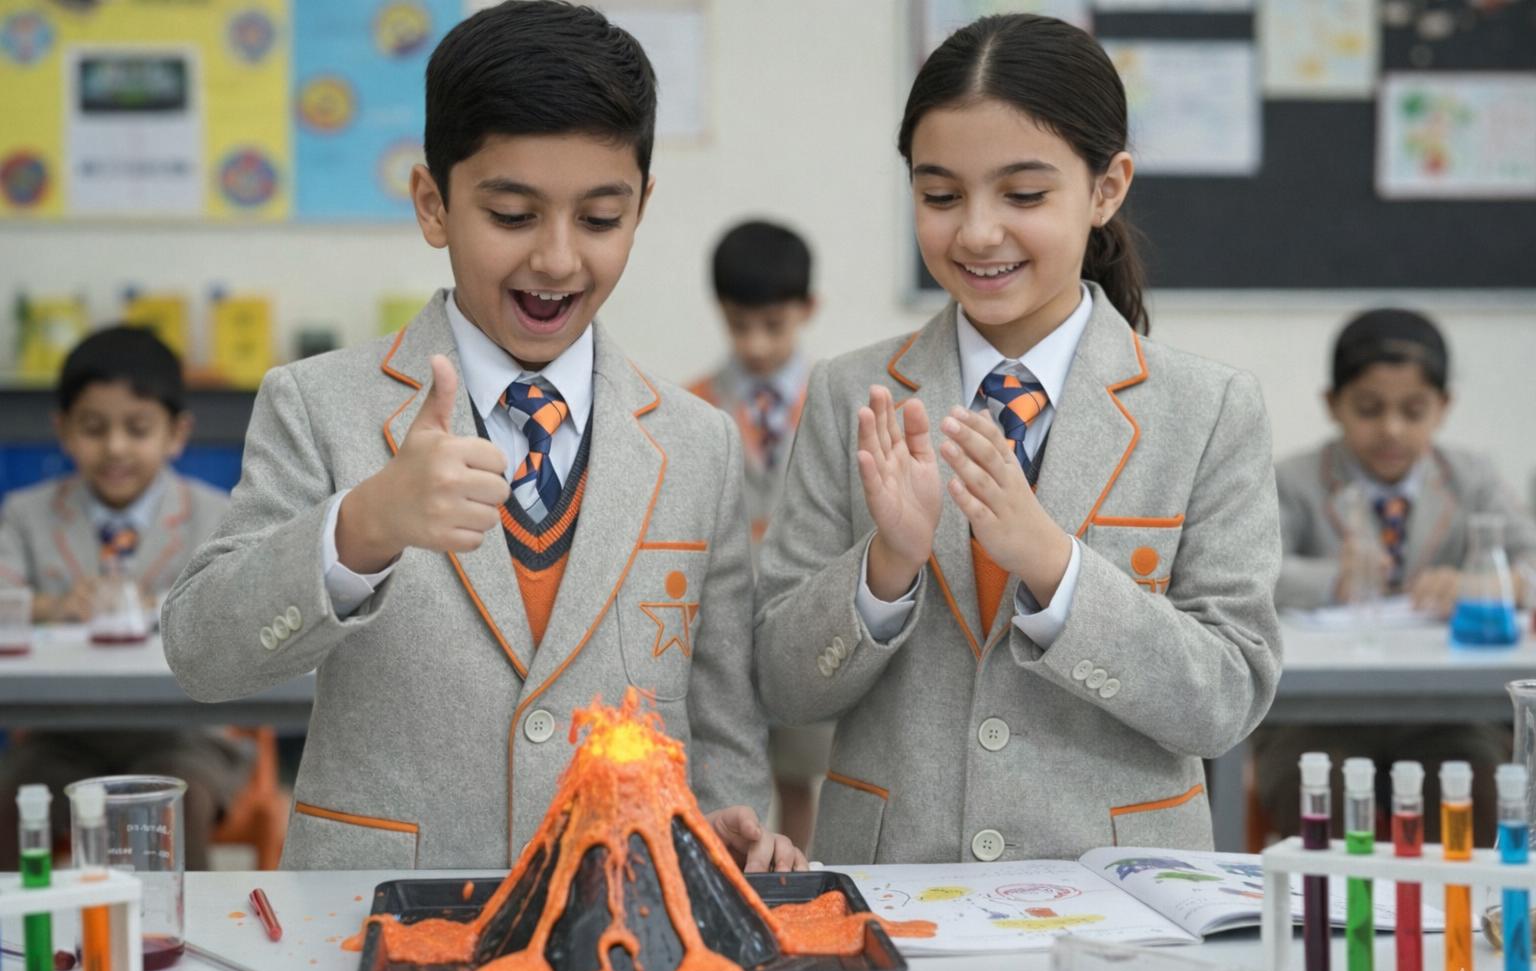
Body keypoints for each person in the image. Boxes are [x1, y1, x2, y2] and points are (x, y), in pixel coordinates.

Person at [162, 1, 801, 872]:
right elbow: (202, 654)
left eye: (599, 220)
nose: (557, 259)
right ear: (434, 204)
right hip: (379, 907)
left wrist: (728, 832)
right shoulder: (319, 403)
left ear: (641, 208)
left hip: (620, 906)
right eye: (511, 215)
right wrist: (363, 526)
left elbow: (723, 722)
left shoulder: (699, 443)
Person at [754, 13, 1282, 864]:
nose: (976, 232)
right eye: (940, 197)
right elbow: (783, 687)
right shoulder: (853, 393)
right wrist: (887, 566)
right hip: (897, 883)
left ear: (1107, 188)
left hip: (1122, 890)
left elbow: (1227, 699)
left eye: (1024, 196)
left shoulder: (1209, 409)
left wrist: (1053, 563)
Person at [1257, 307, 1536, 843]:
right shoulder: (1292, 480)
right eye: (1369, 409)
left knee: (1472, 784)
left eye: (1413, 410)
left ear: (1443, 407)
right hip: (1320, 711)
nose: (1391, 429)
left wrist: (1482, 585)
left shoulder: (1471, 478)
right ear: (1333, 404)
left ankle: (1455, 900)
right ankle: (1332, 898)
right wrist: (1334, 581)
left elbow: (1530, 561)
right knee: (1317, 787)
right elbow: (1250, 571)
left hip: (1446, 711)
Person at [0, 325, 243, 869]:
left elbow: (236, 602)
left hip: (183, 734)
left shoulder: (216, 513)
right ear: (63, 430)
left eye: (137, 429)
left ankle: (181, 919)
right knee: (14, 797)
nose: (115, 447)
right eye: (93, 428)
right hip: (60, 734)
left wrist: (160, 606)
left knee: (177, 801)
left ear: (176, 433)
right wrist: (54, 607)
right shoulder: (26, 514)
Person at [688, 219, 828, 850]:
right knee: (723, 770)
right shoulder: (693, 405)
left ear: (807, 309)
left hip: (800, 621)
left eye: (773, 325)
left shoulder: (834, 402)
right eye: (740, 325)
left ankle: (791, 876)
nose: (757, 343)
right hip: (719, 629)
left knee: (799, 771)